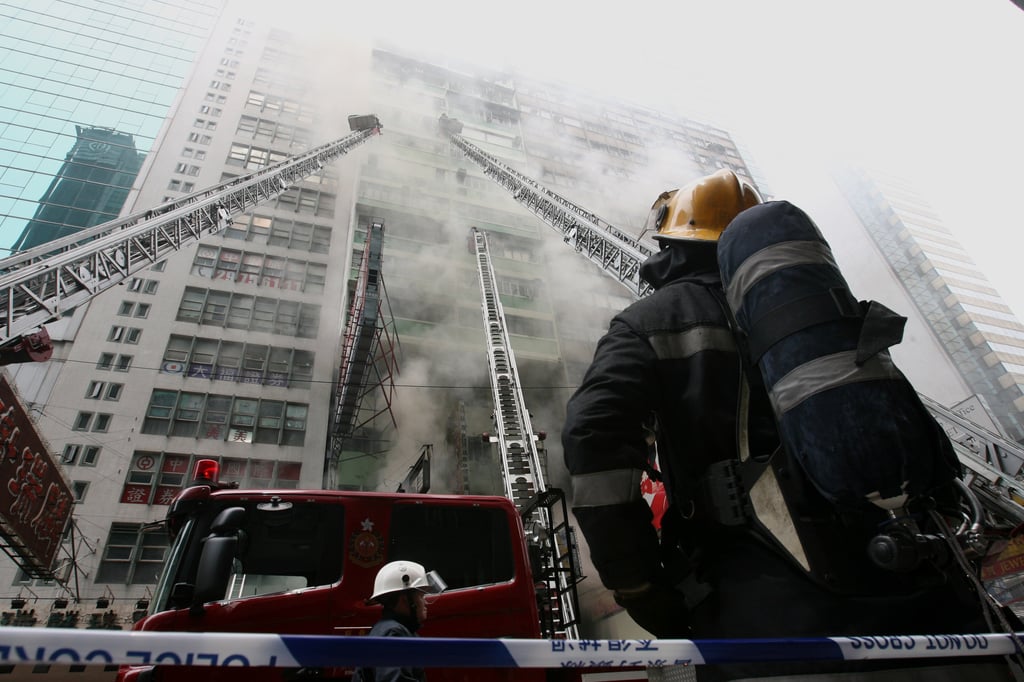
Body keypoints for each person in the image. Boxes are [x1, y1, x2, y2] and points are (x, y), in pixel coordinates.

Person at [561, 169, 1016, 681]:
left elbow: (592, 437)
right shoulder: (823, 315)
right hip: (929, 595)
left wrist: (640, 584)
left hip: (766, 612)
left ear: (673, 242)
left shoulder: (651, 320)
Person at [352, 560, 445, 682]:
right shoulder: (393, 634)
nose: (425, 603)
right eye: (421, 596)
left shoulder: (396, 629)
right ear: (404, 600)